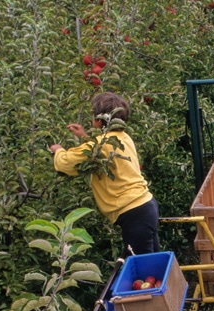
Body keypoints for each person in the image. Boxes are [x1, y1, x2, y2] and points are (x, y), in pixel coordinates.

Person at [50, 92, 161, 256]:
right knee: (152, 262)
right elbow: (102, 149)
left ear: (98, 119)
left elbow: (65, 164)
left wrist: (58, 151)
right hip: (145, 206)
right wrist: (84, 138)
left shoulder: (98, 146)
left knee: (143, 267)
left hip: (133, 212)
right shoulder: (122, 137)